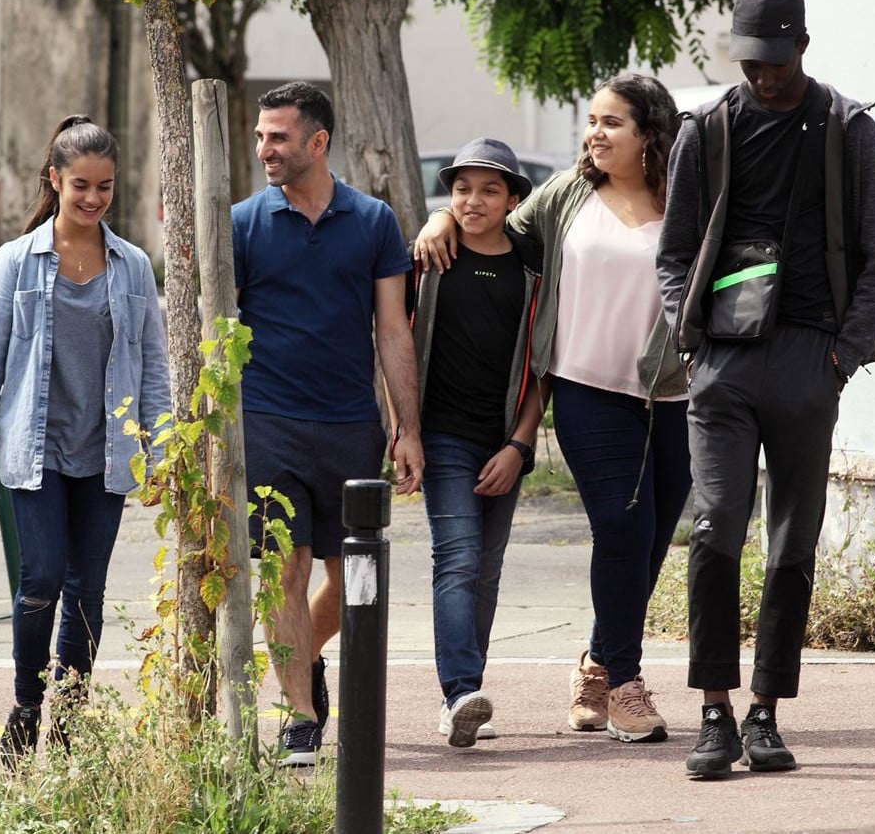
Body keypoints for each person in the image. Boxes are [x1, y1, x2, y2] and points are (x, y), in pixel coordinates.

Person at [656, 0, 875, 778]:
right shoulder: (710, 129)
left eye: (773, 60)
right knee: (715, 528)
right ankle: (714, 713)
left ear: (803, 44)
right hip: (723, 364)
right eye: (748, 60)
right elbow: (674, 252)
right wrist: (690, 340)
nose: (760, 75)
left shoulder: (848, 129)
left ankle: (765, 711)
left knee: (791, 545)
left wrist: (843, 353)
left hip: (808, 358)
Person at [416, 74, 690, 745]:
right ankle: (624, 683)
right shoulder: (569, 195)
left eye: (611, 123)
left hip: (673, 391)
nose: (595, 133)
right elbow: (491, 221)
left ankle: (598, 661)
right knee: (622, 530)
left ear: (649, 133)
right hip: (585, 387)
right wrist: (439, 215)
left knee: (653, 538)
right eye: (591, 120)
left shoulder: (688, 199)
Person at [0, 116, 171, 769]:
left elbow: (155, 370)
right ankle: (28, 704)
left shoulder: (132, 265)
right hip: (35, 451)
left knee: (86, 591)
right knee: (41, 579)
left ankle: (69, 721)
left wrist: (159, 456)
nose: (93, 198)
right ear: (55, 180)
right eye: (80, 185)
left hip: (106, 453)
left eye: (104, 187)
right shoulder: (18, 260)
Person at [232, 81, 424, 766]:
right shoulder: (243, 223)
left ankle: (298, 661)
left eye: (278, 137)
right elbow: (214, 329)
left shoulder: (373, 222)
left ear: (317, 141)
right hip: (269, 421)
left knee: (353, 578)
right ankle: (299, 715)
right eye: (260, 137)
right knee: (286, 569)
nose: (265, 149)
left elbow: (394, 333)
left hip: (350, 423)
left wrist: (407, 428)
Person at [411, 138, 544, 748]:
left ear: (514, 199)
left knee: (486, 572)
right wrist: (403, 430)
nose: (473, 200)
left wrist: (518, 446)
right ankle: (460, 690)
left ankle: (465, 697)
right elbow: (392, 341)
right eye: (462, 188)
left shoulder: (532, 266)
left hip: (503, 442)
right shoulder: (431, 257)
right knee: (458, 560)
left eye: (490, 189)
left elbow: (545, 368)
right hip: (442, 436)